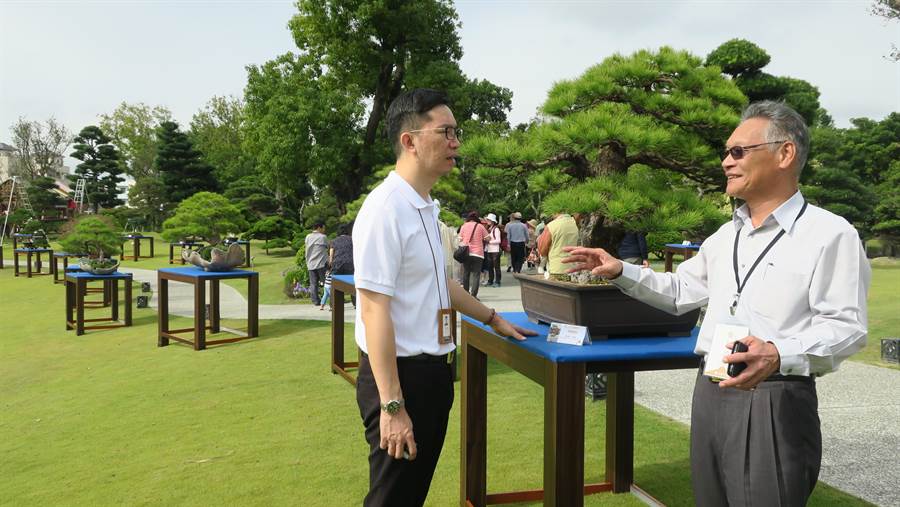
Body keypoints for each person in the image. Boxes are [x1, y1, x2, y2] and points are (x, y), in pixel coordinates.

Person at [562, 100, 870, 506]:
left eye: (738, 151)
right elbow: (679, 291)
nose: (726, 161)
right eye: (725, 152)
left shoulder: (830, 235)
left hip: (774, 397)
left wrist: (778, 354)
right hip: (710, 390)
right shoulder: (726, 235)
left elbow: (846, 327)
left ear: (785, 153)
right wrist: (621, 271)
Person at [352, 88, 536, 507]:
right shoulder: (385, 209)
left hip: (433, 374)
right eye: (446, 131)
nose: (456, 142)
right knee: (391, 499)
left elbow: (441, 286)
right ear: (409, 140)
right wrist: (393, 406)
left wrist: (492, 318)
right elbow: (374, 309)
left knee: (408, 496)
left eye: (457, 132)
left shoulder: (424, 206)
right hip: (401, 379)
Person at [457, 211, 488, 298]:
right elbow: (488, 238)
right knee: (476, 274)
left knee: (466, 273)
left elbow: (460, 239)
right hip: (478, 254)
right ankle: (473, 295)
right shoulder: (480, 226)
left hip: (466, 253)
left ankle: (466, 295)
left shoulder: (464, 226)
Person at [330, 222, 355, 306]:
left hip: (337, 264)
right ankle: (355, 303)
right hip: (350, 264)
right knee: (353, 284)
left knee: (335, 285)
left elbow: (331, 253)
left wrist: (330, 263)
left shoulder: (334, 241)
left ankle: (333, 304)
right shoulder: (352, 239)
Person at [304, 222, 329, 306]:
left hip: (310, 263)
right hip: (321, 263)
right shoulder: (323, 237)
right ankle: (332, 299)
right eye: (323, 228)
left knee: (313, 283)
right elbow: (328, 247)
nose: (324, 230)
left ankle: (315, 301)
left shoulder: (308, 237)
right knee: (327, 282)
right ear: (319, 228)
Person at [483, 213, 502, 287]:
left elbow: (498, 240)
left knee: (496, 267)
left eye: (489, 220)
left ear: (492, 221)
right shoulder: (489, 229)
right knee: (490, 267)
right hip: (489, 250)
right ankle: (490, 280)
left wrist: (489, 241)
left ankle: (497, 281)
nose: (487, 221)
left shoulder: (496, 229)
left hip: (495, 250)